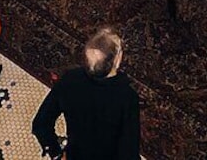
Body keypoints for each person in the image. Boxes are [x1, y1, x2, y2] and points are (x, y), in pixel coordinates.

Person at [32, 27, 141, 160]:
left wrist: (56, 153)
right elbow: (129, 152)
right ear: (117, 61)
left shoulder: (69, 79)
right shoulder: (127, 98)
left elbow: (40, 124)